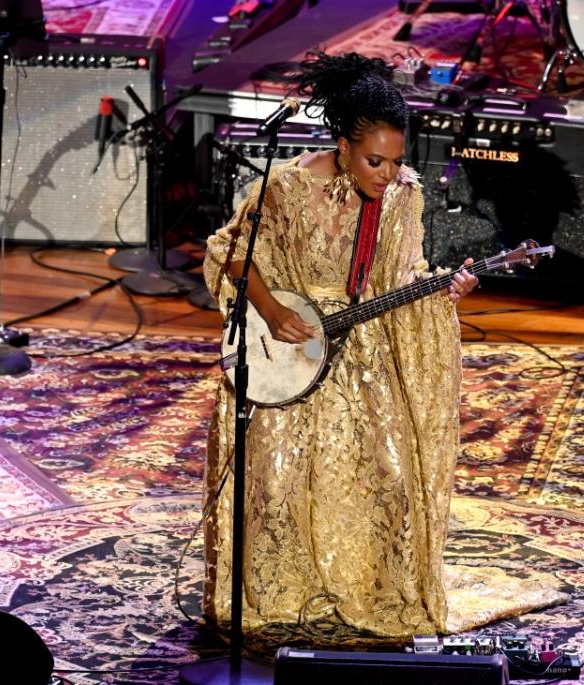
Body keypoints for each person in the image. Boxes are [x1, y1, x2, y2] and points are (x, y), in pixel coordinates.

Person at [201, 51, 478, 637]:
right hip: (290, 348)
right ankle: (279, 596)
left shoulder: (403, 196)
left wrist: (442, 291)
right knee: (275, 480)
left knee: (388, 474)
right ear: (342, 147)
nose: (386, 173)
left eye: (396, 160)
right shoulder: (284, 188)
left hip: (364, 351)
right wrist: (273, 312)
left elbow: (403, 276)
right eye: (374, 160)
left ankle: (366, 590)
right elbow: (232, 254)